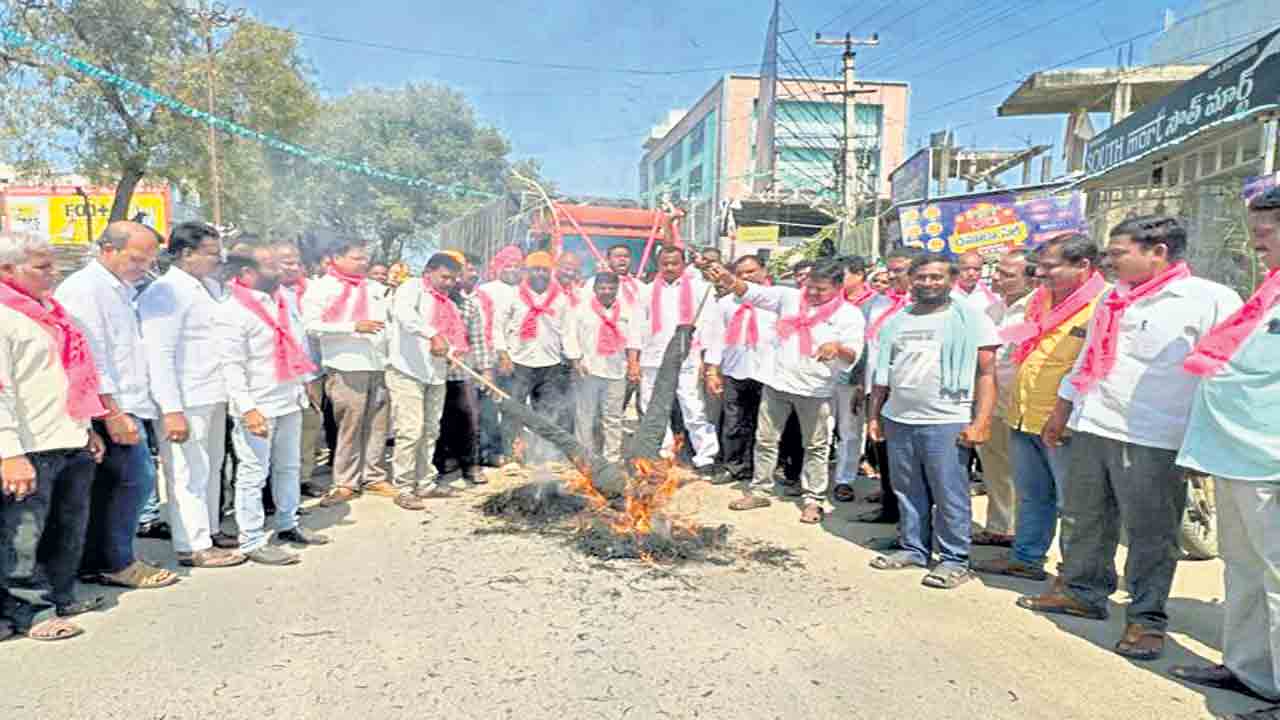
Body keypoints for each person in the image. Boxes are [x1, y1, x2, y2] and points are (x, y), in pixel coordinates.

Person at [1019, 216, 1242, 661]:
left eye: (1118, 253)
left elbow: (1225, 374)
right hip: (1092, 424)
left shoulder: (1209, 300)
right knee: (1084, 517)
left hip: (1154, 436)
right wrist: (1062, 411)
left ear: (1157, 252)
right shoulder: (1114, 299)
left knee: (1150, 533)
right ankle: (1083, 591)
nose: (1109, 261)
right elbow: (1086, 359)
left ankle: (1146, 616)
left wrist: (1207, 443)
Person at [1169, 188, 1280, 709]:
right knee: (1243, 568)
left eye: (1268, 229)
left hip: (1271, 460)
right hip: (1238, 456)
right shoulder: (1269, 294)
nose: (1256, 240)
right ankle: (1250, 669)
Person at [973, 235, 1106, 582]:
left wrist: (1062, 413)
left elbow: (1095, 365)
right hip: (1023, 413)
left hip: (1066, 423)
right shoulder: (1041, 302)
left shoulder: (1104, 305)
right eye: (1039, 267)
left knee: (1075, 506)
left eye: (1050, 267)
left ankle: (1076, 578)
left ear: (1083, 267)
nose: (1040, 274)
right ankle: (1027, 558)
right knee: (1032, 496)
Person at [55, 221, 179, 590]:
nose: (144, 266)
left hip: (130, 400)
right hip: (111, 405)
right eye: (138, 258)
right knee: (133, 482)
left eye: (150, 259)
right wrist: (112, 412)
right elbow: (90, 358)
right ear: (108, 249)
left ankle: (104, 558)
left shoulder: (120, 288)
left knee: (119, 485)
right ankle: (115, 562)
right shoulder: (85, 290)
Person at [866, 252, 1000, 590]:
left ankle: (955, 559)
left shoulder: (972, 319)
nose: (928, 283)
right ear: (911, 280)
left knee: (949, 491)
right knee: (907, 489)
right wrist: (875, 415)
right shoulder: (898, 320)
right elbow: (883, 373)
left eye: (936, 277)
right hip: (899, 416)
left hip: (948, 418)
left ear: (951, 280)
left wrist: (981, 421)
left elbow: (986, 373)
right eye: (922, 277)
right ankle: (914, 548)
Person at [0, 231, 107, 641]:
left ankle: (63, 595)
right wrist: (10, 454)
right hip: (30, 446)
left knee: (68, 527)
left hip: (71, 437)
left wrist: (89, 427)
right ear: (8, 269)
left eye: (52, 264)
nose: (53, 273)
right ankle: (31, 612)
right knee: (23, 537)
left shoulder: (52, 311)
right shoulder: (7, 317)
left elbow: (71, 378)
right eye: (41, 266)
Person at [712, 258, 864, 524]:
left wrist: (837, 348)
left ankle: (813, 499)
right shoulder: (789, 297)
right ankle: (760, 489)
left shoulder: (850, 315)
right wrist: (727, 278)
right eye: (811, 287)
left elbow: (852, 355)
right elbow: (751, 292)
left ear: (839, 287)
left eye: (822, 289)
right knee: (766, 440)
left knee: (816, 446)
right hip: (777, 383)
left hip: (815, 390)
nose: (813, 293)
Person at [137, 222, 244, 568]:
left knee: (211, 467)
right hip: (184, 398)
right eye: (212, 253)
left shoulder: (209, 287)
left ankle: (209, 529)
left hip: (213, 393)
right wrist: (170, 409)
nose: (219, 259)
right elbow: (159, 354)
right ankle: (192, 545)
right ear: (185, 254)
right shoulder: (163, 292)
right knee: (186, 471)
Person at [218, 248, 327, 565]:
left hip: (290, 397)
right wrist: (248, 409)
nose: (280, 270)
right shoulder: (232, 311)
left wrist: (306, 384)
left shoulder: (283, 301)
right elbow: (231, 366)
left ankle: (287, 523)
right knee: (253, 473)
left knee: (289, 466)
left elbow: (297, 346)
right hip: (259, 404)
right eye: (270, 266)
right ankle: (251, 540)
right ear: (246, 274)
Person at [303, 242, 394, 506]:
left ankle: (374, 476)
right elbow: (311, 326)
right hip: (346, 365)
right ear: (336, 258)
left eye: (365, 258)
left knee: (378, 424)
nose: (363, 263)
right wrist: (353, 327)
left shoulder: (376, 288)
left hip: (378, 364)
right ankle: (345, 482)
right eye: (356, 258)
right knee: (350, 426)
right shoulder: (321, 288)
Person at [626, 245, 724, 475]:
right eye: (664, 264)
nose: (669, 268)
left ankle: (705, 457)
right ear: (658, 265)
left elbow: (711, 328)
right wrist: (633, 361)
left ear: (683, 264)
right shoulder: (646, 291)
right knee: (653, 407)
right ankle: (664, 452)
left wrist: (708, 364)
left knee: (694, 408)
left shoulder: (702, 289)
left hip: (687, 358)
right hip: (653, 358)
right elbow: (635, 327)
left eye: (674, 263)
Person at [386, 253, 467, 509]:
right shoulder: (411, 289)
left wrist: (453, 352)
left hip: (436, 374)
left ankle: (426, 483)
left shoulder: (449, 304)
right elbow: (404, 316)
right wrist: (432, 334)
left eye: (453, 279)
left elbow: (451, 339)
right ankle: (404, 488)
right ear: (429, 272)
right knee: (410, 431)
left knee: (431, 430)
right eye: (444, 277)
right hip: (406, 371)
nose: (449, 283)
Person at [968, 249, 1034, 548]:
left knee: (1024, 473)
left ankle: (1024, 535)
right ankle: (998, 526)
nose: (996, 278)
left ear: (1031, 279)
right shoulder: (992, 310)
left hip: (1025, 404)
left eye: (1007, 274)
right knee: (993, 465)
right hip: (991, 399)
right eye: (997, 271)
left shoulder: (1040, 309)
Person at [855, 247, 917, 526]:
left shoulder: (931, 304)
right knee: (882, 447)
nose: (891, 276)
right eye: (888, 270)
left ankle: (913, 515)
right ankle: (890, 504)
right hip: (877, 386)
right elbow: (868, 347)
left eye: (898, 270)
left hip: (911, 389)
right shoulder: (876, 303)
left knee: (911, 456)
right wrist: (861, 384)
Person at [494, 251, 573, 464]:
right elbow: (497, 327)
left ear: (551, 272)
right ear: (526, 271)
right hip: (518, 363)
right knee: (513, 411)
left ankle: (543, 456)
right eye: (535, 269)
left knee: (547, 412)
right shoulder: (512, 295)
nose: (540, 273)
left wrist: (575, 359)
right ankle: (512, 456)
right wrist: (503, 354)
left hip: (550, 364)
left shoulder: (561, 299)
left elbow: (568, 331)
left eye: (544, 270)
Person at [705, 255, 775, 489]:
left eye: (752, 271)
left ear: (764, 271)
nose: (747, 277)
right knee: (733, 423)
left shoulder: (775, 301)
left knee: (764, 425)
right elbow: (716, 339)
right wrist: (712, 371)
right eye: (741, 273)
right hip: (735, 371)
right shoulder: (726, 304)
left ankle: (760, 468)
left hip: (768, 372)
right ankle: (732, 466)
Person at [435, 252, 493, 481]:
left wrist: (486, 370)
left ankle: (471, 465)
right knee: (437, 421)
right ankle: (441, 462)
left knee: (469, 419)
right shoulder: (428, 301)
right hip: (432, 373)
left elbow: (477, 340)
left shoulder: (468, 307)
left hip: (461, 372)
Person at [276, 241, 327, 498]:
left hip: (311, 372)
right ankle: (274, 487)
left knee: (309, 427)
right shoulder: (268, 295)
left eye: (297, 262)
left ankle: (303, 478)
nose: (293, 267)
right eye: (286, 262)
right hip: (279, 375)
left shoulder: (312, 291)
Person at [564, 272, 631, 463]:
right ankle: (585, 457)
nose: (607, 292)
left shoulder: (627, 311)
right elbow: (570, 336)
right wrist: (576, 361)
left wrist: (633, 364)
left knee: (613, 418)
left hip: (616, 371)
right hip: (588, 370)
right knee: (585, 415)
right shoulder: (581, 310)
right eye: (602, 288)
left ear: (617, 290)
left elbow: (634, 338)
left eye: (611, 288)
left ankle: (612, 458)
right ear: (594, 289)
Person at [832, 255, 877, 502]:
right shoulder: (830, 301)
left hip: (855, 376)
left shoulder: (875, 304)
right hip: (826, 373)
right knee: (824, 428)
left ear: (859, 275)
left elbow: (870, 346)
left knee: (850, 430)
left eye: (843, 275)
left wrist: (861, 380)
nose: (838, 280)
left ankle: (844, 479)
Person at [476, 245, 524, 465]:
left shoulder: (524, 290)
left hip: (519, 358)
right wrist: (502, 354)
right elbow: (492, 326)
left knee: (512, 406)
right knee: (489, 406)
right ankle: (490, 451)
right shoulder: (488, 290)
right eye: (508, 266)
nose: (512, 270)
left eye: (517, 266)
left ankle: (512, 449)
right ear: (498, 268)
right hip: (492, 357)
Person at [953, 250, 1001, 316]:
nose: (971, 273)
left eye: (976, 269)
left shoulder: (993, 293)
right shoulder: (948, 294)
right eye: (966, 269)